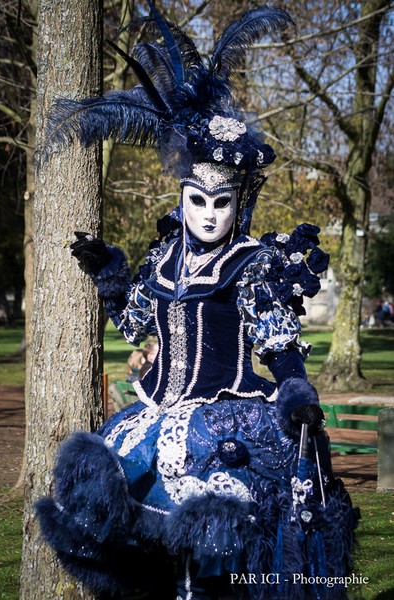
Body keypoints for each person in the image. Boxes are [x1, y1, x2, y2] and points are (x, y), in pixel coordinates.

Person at [36, 3, 359, 600]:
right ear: (182, 198)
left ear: (238, 203)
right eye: (197, 201)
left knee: (222, 555)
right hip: (151, 419)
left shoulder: (252, 263)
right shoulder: (162, 261)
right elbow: (136, 323)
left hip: (227, 420)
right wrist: (110, 274)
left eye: (222, 203)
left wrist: (295, 391)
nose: (209, 214)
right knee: (138, 543)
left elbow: (277, 340)